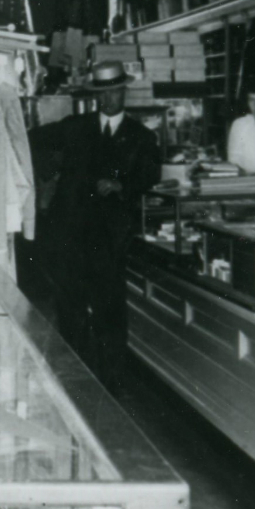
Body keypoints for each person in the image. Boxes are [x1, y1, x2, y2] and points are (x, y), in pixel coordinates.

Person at [37, 59, 161, 388]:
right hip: (71, 236)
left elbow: (151, 175)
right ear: (96, 95)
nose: (108, 99)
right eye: (102, 93)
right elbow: (33, 141)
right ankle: (74, 383)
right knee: (71, 311)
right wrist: (47, 177)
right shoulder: (75, 127)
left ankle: (112, 385)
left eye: (114, 92)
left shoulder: (141, 137)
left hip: (110, 240)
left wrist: (123, 186)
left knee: (109, 313)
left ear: (124, 92)